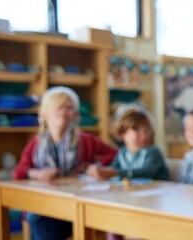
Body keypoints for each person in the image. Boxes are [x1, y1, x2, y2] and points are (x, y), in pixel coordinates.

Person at [12, 86, 118, 240]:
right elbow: (19, 172)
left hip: (73, 205)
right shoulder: (35, 144)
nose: (65, 112)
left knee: (40, 220)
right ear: (45, 112)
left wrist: (93, 168)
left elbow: (114, 154)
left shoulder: (85, 140)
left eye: (70, 108)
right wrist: (37, 173)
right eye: (61, 107)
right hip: (44, 203)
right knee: (38, 217)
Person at [86, 105, 169, 181]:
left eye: (148, 129)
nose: (144, 134)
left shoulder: (154, 152)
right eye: (137, 130)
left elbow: (146, 172)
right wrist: (98, 170)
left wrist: (114, 173)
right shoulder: (123, 153)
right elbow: (111, 168)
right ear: (122, 133)